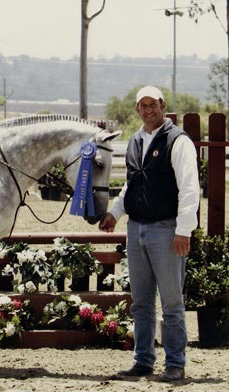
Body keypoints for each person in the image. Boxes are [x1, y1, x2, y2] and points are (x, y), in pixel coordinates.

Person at [99, 86, 200, 382]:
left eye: (153, 104)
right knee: (141, 303)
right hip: (136, 228)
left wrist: (184, 230)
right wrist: (115, 213)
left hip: (166, 230)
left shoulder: (178, 141)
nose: (148, 109)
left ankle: (175, 363)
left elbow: (190, 187)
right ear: (137, 110)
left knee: (171, 302)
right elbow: (131, 184)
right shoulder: (134, 141)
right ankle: (143, 360)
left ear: (163, 105)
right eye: (143, 105)